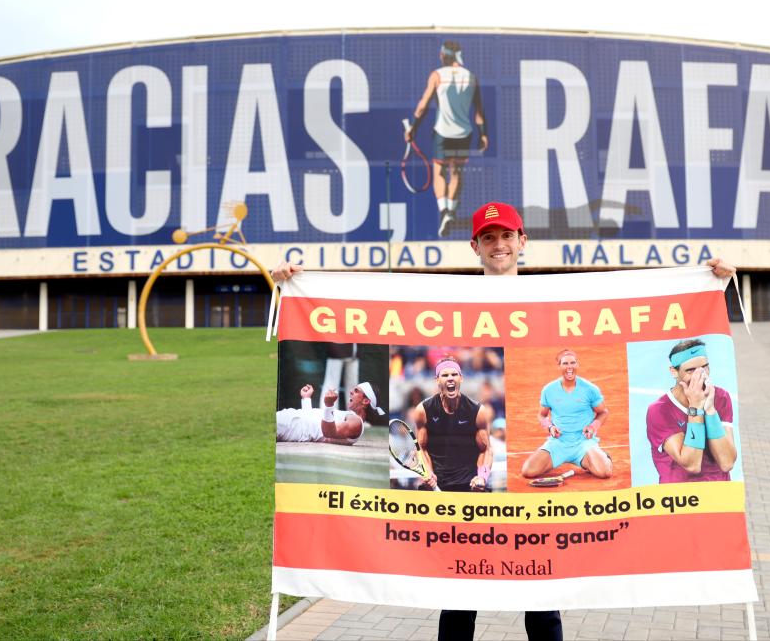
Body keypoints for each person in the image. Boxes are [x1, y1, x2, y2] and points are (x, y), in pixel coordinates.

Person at [271, 201, 737, 641]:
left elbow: (642, 300)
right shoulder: (453, 301)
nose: (499, 244)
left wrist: (707, 281)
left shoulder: (551, 299)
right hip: (470, 506)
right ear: (474, 247)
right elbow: (370, 304)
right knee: (457, 596)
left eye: (506, 235)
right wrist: (297, 284)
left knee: (543, 599)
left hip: (521, 510)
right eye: (488, 237)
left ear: (522, 240)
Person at [405, 40, 488, 237]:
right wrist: (483, 134)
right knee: (457, 172)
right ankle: (451, 211)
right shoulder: (471, 77)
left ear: (444, 55)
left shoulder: (437, 76)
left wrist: (413, 128)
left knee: (439, 172)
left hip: (443, 134)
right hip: (464, 134)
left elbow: (423, 105)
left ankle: (444, 211)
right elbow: (479, 111)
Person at [645, 338, 737, 482]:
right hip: (681, 498)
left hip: (720, 494)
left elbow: (727, 462)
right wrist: (695, 409)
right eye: (690, 370)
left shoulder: (720, 397)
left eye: (704, 367)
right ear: (674, 372)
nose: (700, 375)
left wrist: (710, 409)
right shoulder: (659, 410)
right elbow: (692, 464)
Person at [521, 349, 612, 480]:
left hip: (583, 443)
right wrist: (550, 427)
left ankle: (603, 458)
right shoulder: (548, 390)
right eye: (565, 364)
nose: (569, 367)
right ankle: (588, 461)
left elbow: (603, 412)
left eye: (572, 363)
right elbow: (542, 415)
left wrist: (592, 427)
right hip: (558, 443)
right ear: (559, 366)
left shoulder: (590, 389)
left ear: (577, 365)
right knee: (528, 471)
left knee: (604, 473)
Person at [409, 355, 493, 492]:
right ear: (437, 380)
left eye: (454, 374)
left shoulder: (477, 411)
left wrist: (482, 477)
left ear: (461, 378)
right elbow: (421, 449)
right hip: (436, 482)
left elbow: (486, 449)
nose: (450, 378)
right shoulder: (423, 410)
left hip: (470, 483)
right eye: (445, 375)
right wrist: (428, 474)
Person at [275, 382, 384, 445]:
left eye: (356, 391)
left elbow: (328, 432)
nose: (351, 391)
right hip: (292, 422)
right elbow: (313, 425)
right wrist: (306, 399)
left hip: (291, 426)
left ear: (365, 401)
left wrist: (329, 405)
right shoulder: (350, 417)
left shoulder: (357, 422)